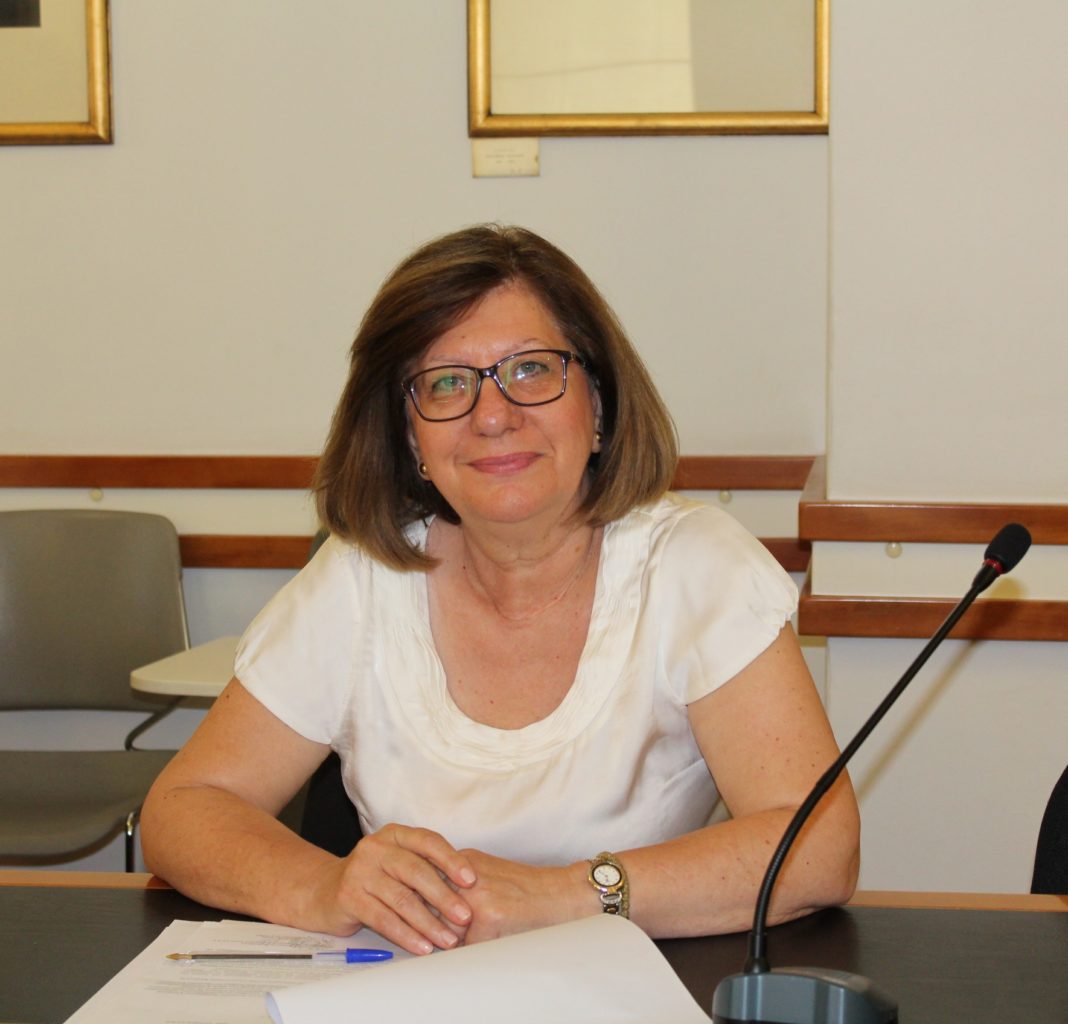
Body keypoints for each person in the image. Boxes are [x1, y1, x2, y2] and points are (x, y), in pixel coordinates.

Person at [142, 224, 859, 956]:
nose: (492, 416)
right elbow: (182, 809)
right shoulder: (359, 578)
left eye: (532, 370)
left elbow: (819, 848)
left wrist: (559, 898)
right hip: (412, 989)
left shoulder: (696, 567)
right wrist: (323, 887)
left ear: (599, 405)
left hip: (631, 988)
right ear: (410, 438)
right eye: (447, 383)